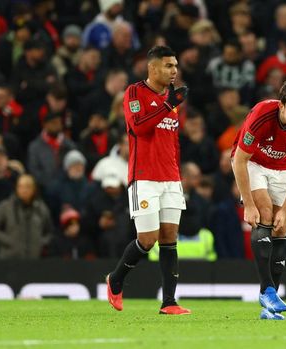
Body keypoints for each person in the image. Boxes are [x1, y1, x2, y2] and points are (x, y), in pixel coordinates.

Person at [105, 45, 190, 315]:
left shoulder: (171, 100)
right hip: (144, 178)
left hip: (170, 178)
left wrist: (177, 174)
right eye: (168, 65)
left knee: (169, 238)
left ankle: (169, 302)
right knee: (148, 239)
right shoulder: (134, 92)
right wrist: (168, 105)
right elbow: (139, 127)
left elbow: (172, 142)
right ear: (152, 68)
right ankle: (116, 279)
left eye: (175, 65)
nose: (174, 70)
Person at [231, 78, 286, 320]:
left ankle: (269, 305)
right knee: (266, 214)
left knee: (281, 227)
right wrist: (248, 204)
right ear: (281, 105)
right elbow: (239, 160)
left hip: (284, 168)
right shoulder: (261, 115)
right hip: (253, 163)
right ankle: (267, 290)